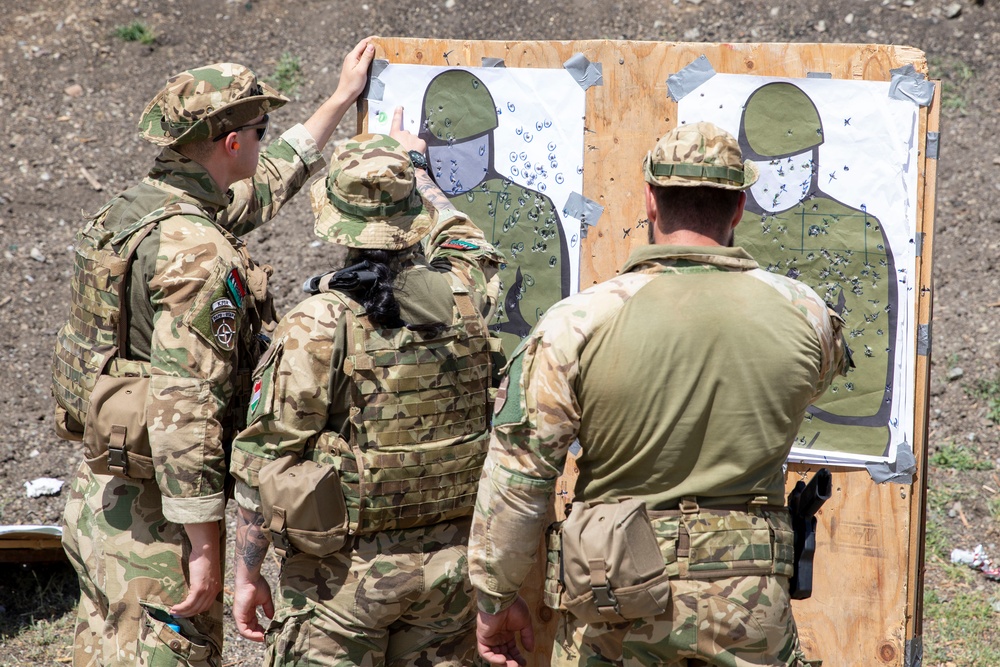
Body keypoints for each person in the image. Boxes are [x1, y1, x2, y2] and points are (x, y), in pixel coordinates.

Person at [468, 121, 851, 667]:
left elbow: (519, 478)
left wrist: (495, 597)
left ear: (650, 200)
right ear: (739, 207)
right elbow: (817, 380)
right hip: (749, 605)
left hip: (615, 597)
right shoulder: (807, 314)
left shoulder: (576, 324)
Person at [55, 39, 375, 666]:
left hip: (102, 495)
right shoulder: (195, 252)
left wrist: (340, 100)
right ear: (232, 143)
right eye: (260, 130)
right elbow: (186, 407)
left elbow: (266, 182)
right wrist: (206, 543)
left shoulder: (143, 210)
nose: (264, 141)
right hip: (157, 524)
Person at [229, 111, 503, 666]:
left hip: (341, 584)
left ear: (332, 220)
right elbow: (468, 241)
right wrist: (417, 166)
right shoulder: (465, 295)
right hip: (450, 575)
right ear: (414, 219)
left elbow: (267, 456)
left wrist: (247, 574)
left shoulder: (317, 324)